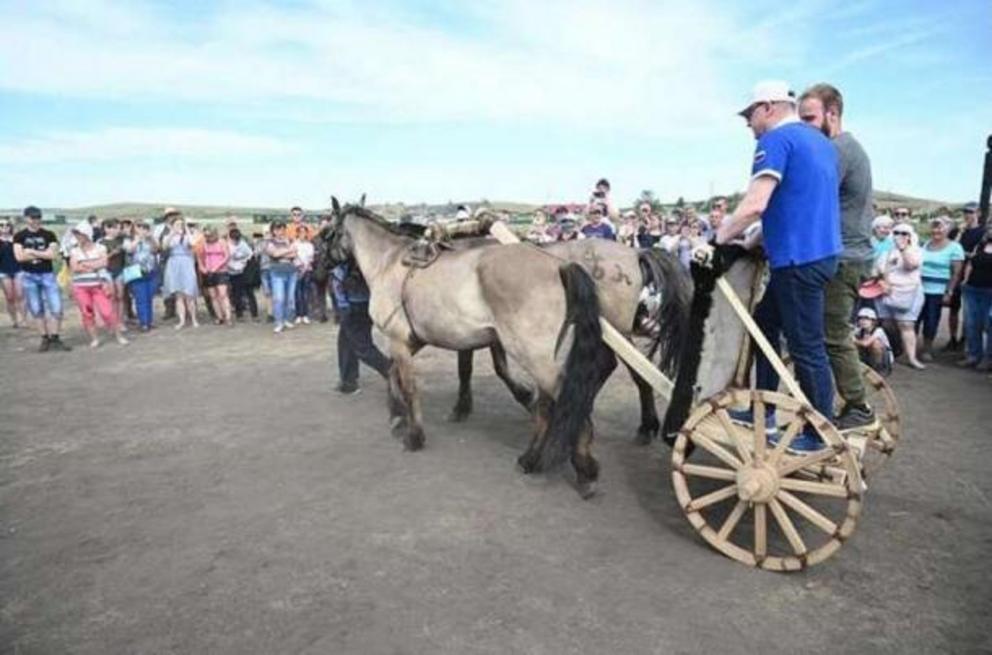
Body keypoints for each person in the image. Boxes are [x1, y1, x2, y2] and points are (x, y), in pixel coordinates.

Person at [716, 80, 841, 451]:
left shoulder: (773, 141)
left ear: (768, 108)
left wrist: (720, 236)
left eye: (750, 114)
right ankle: (764, 412)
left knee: (807, 348)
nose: (748, 123)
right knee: (764, 324)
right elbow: (796, 201)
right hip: (817, 254)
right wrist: (754, 238)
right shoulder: (819, 142)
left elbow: (756, 203)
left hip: (798, 260)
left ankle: (820, 435)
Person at [799, 82, 877, 430]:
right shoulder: (841, 148)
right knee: (819, 336)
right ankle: (825, 401)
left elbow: (807, 195)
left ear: (833, 114)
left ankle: (857, 407)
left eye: (811, 118)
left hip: (844, 259)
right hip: (846, 256)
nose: (806, 127)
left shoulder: (839, 150)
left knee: (831, 335)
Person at [13, 206, 70, 351]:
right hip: (29, 276)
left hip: (47, 274)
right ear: (26, 218)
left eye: (38, 217)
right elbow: (19, 257)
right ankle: (44, 338)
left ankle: (55, 337)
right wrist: (42, 253)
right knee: (36, 308)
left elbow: (52, 255)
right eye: (33, 217)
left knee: (56, 307)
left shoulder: (49, 234)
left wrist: (31, 251)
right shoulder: (19, 236)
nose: (36, 220)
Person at [332, 260, 391, 394]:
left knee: (362, 347)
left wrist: (342, 305)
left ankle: (392, 372)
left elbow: (338, 278)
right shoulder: (369, 257)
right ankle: (348, 382)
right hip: (366, 303)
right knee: (346, 342)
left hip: (352, 305)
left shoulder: (348, 256)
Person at [874, 222, 927, 369]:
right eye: (896, 233)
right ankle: (895, 351)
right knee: (887, 323)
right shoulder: (887, 252)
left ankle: (911, 357)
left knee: (906, 324)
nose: (900, 236)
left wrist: (903, 249)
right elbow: (878, 271)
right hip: (888, 293)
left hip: (908, 293)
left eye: (904, 233)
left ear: (910, 236)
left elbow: (911, 265)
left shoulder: (917, 251)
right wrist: (883, 282)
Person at [67, 221, 128, 347]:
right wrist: (93, 264)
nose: (78, 237)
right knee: (87, 312)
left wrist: (84, 264)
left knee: (108, 311)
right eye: (76, 234)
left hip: (98, 285)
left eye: (80, 234)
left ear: (87, 235)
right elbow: (74, 267)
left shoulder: (100, 247)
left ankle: (119, 335)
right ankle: (94, 338)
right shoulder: (74, 250)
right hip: (81, 287)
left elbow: (104, 263)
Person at [917, 216, 965, 360]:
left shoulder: (955, 247)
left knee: (931, 320)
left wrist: (949, 292)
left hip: (937, 291)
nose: (936, 230)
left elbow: (956, 273)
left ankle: (927, 349)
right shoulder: (925, 245)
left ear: (948, 229)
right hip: (919, 289)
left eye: (940, 227)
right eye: (934, 227)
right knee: (914, 319)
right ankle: (910, 348)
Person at [947, 202, 986, 352]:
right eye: (965, 212)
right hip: (954, 274)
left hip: (972, 276)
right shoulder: (957, 231)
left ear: (978, 214)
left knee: (968, 311)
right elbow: (949, 248)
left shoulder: (982, 233)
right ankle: (952, 339)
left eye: (971, 212)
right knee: (953, 308)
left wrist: (963, 254)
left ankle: (965, 339)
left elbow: (979, 255)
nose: (968, 215)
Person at [959, 224, 992, 370]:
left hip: (989, 291)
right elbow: (971, 263)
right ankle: (973, 355)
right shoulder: (981, 244)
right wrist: (965, 281)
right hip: (972, 289)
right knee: (972, 324)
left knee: (989, 325)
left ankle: (988, 358)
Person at [161, 213, 200, 329]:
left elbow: (193, 243)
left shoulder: (188, 235)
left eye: (181, 224)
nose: (180, 226)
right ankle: (181, 320)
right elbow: (164, 246)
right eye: (177, 224)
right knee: (178, 295)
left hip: (186, 263)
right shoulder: (168, 236)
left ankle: (193, 319)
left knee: (189, 294)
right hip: (173, 263)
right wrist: (172, 233)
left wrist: (187, 230)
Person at [122, 221, 158, 331]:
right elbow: (129, 250)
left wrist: (151, 238)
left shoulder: (149, 240)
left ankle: (149, 321)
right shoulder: (128, 240)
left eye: (144, 228)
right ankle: (144, 323)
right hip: (137, 272)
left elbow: (156, 249)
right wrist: (137, 240)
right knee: (141, 298)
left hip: (150, 270)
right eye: (139, 228)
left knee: (149, 297)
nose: (142, 230)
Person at [265, 221, 298, 333]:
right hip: (277, 273)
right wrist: (288, 251)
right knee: (279, 298)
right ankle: (279, 322)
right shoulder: (270, 242)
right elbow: (274, 254)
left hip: (291, 272)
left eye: (282, 229)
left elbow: (294, 254)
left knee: (290, 298)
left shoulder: (290, 240)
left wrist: (282, 252)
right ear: (273, 231)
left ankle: (287, 319)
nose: (280, 231)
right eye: (277, 229)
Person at [197, 227, 233, 326]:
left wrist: (217, 267)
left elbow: (227, 256)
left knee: (223, 294)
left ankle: (228, 316)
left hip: (221, 271)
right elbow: (199, 257)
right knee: (213, 296)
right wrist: (202, 268)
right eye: (206, 236)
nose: (208, 238)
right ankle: (219, 316)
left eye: (210, 235)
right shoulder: (203, 244)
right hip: (208, 271)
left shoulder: (222, 242)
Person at [99, 218, 127, 330]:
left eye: (117, 228)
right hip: (107, 271)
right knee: (112, 297)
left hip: (120, 269)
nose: (115, 230)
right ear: (106, 228)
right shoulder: (101, 242)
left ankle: (120, 321)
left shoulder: (121, 240)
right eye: (112, 227)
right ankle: (113, 321)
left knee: (120, 296)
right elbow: (100, 259)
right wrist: (112, 253)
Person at [0, 218, 26, 327]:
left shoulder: (16, 239)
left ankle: (24, 319)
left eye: (7, 224)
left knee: (20, 295)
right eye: (1, 225)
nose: (4, 227)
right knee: (10, 297)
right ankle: (14, 320)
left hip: (18, 270)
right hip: (3, 271)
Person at [227, 228, 258, 321]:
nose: (236, 242)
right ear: (230, 238)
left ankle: (255, 314)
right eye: (234, 239)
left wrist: (244, 263)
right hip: (233, 272)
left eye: (237, 239)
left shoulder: (243, 244)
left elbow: (251, 255)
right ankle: (239, 315)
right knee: (237, 294)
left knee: (250, 293)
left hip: (244, 271)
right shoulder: (227, 246)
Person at [853, 307, 893, 375]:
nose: (863, 321)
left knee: (875, 343)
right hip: (868, 356)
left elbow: (866, 344)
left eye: (866, 319)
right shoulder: (859, 330)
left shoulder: (879, 330)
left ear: (873, 321)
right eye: (861, 319)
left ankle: (878, 370)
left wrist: (853, 340)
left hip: (885, 360)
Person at [293, 232, 315, 325]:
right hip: (297, 270)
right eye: (300, 232)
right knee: (297, 293)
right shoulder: (294, 244)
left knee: (305, 293)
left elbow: (311, 257)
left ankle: (305, 315)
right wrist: (300, 266)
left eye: (304, 232)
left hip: (307, 271)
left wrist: (305, 267)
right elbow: (293, 256)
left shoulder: (309, 245)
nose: (302, 234)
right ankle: (298, 315)